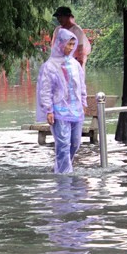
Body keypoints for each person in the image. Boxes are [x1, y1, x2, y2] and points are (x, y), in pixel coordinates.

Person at [37, 28, 87, 174]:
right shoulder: (50, 66)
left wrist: (83, 102)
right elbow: (45, 90)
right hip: (59, 110)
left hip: (76, 110)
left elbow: (81, 85)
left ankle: (60, 167)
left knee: (75, 143)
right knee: (63, 143)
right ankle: (65, 176)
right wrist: (49, 110)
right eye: (68, 44)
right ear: (60, 44)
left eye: (73, 44)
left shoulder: (75, 64)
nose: (71, 48)